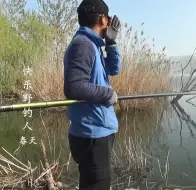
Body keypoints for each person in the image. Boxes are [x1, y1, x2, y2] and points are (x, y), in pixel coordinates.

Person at [63, 0, 122, 189]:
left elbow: (114, 69)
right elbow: (74, 87)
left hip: (96, 133)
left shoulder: (92, 45)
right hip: (92, 136)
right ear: (103, 19)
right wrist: (107, 93)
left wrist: (111, 43)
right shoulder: (84, 45)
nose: (109, 22)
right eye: (108, 18)